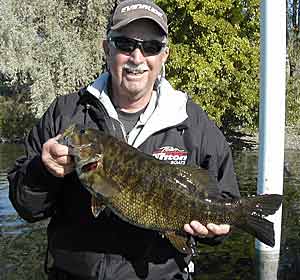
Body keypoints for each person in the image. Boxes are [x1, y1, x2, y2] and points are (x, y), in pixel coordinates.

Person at [8, 0, 240, 279]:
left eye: (151, 47)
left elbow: (225, 201)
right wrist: (43, 171)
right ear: (107, 49)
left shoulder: (193, 124)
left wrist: (219, 228)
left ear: (164, 55)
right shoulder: (65, 113)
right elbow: (26, 207)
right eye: (125, 44)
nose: (137, 58)